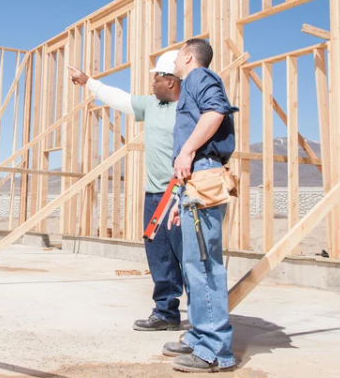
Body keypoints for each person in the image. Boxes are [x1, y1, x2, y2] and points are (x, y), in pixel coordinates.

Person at [68, 51, 184, 332]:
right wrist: (88, 82)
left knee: (189, 256)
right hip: (154, 195)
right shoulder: (152, 105)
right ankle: (166, 313)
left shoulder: (190, 110)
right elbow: (119, 98)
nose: (152, 83)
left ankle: (207, 322)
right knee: (160, 256)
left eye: (156, 77)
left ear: (170, 80)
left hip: (180, 196)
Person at [165, 38, 237, 373]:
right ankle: (198, 336)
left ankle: (213, 351)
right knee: (195, 265)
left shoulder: (198, 77)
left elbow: (216, 111)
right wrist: (182, 195)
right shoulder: (193, 82)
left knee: (204, 266)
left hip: (202, 173)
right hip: (195, 181)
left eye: (178, 55)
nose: (175, 61)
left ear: (189, 57)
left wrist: (188, 150)